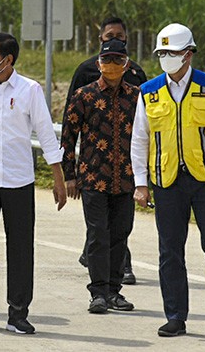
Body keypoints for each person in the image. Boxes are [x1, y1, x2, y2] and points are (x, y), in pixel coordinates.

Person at [131, 23, 205, 339]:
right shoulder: (149, 92)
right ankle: (175, 317)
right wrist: (140, 183)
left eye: (172, 52)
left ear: (189, 54)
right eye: (162, 53)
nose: (166, 58)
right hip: (166, 182)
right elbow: (140, 140)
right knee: (170, 252)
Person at [0, 32, 67, 334]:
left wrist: (58, 177)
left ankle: (18, 313)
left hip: (18, 181)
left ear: (7, 59)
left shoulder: (30, 89)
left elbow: (46, 133)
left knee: (20, 248)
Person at [61, 38, 139, 314]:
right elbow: (68, 137)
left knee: (120, 234)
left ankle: (114, 291)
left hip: (126, 178)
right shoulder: (84, 95)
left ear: (126, 65)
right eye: (107, 60)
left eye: (118, 60)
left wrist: (144, 179)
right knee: (97, 235)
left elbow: (146, 138)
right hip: (93, 178)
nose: (112, 65)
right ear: (98, 64)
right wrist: (69, 176)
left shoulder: (137, 97)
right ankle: (98, 293)